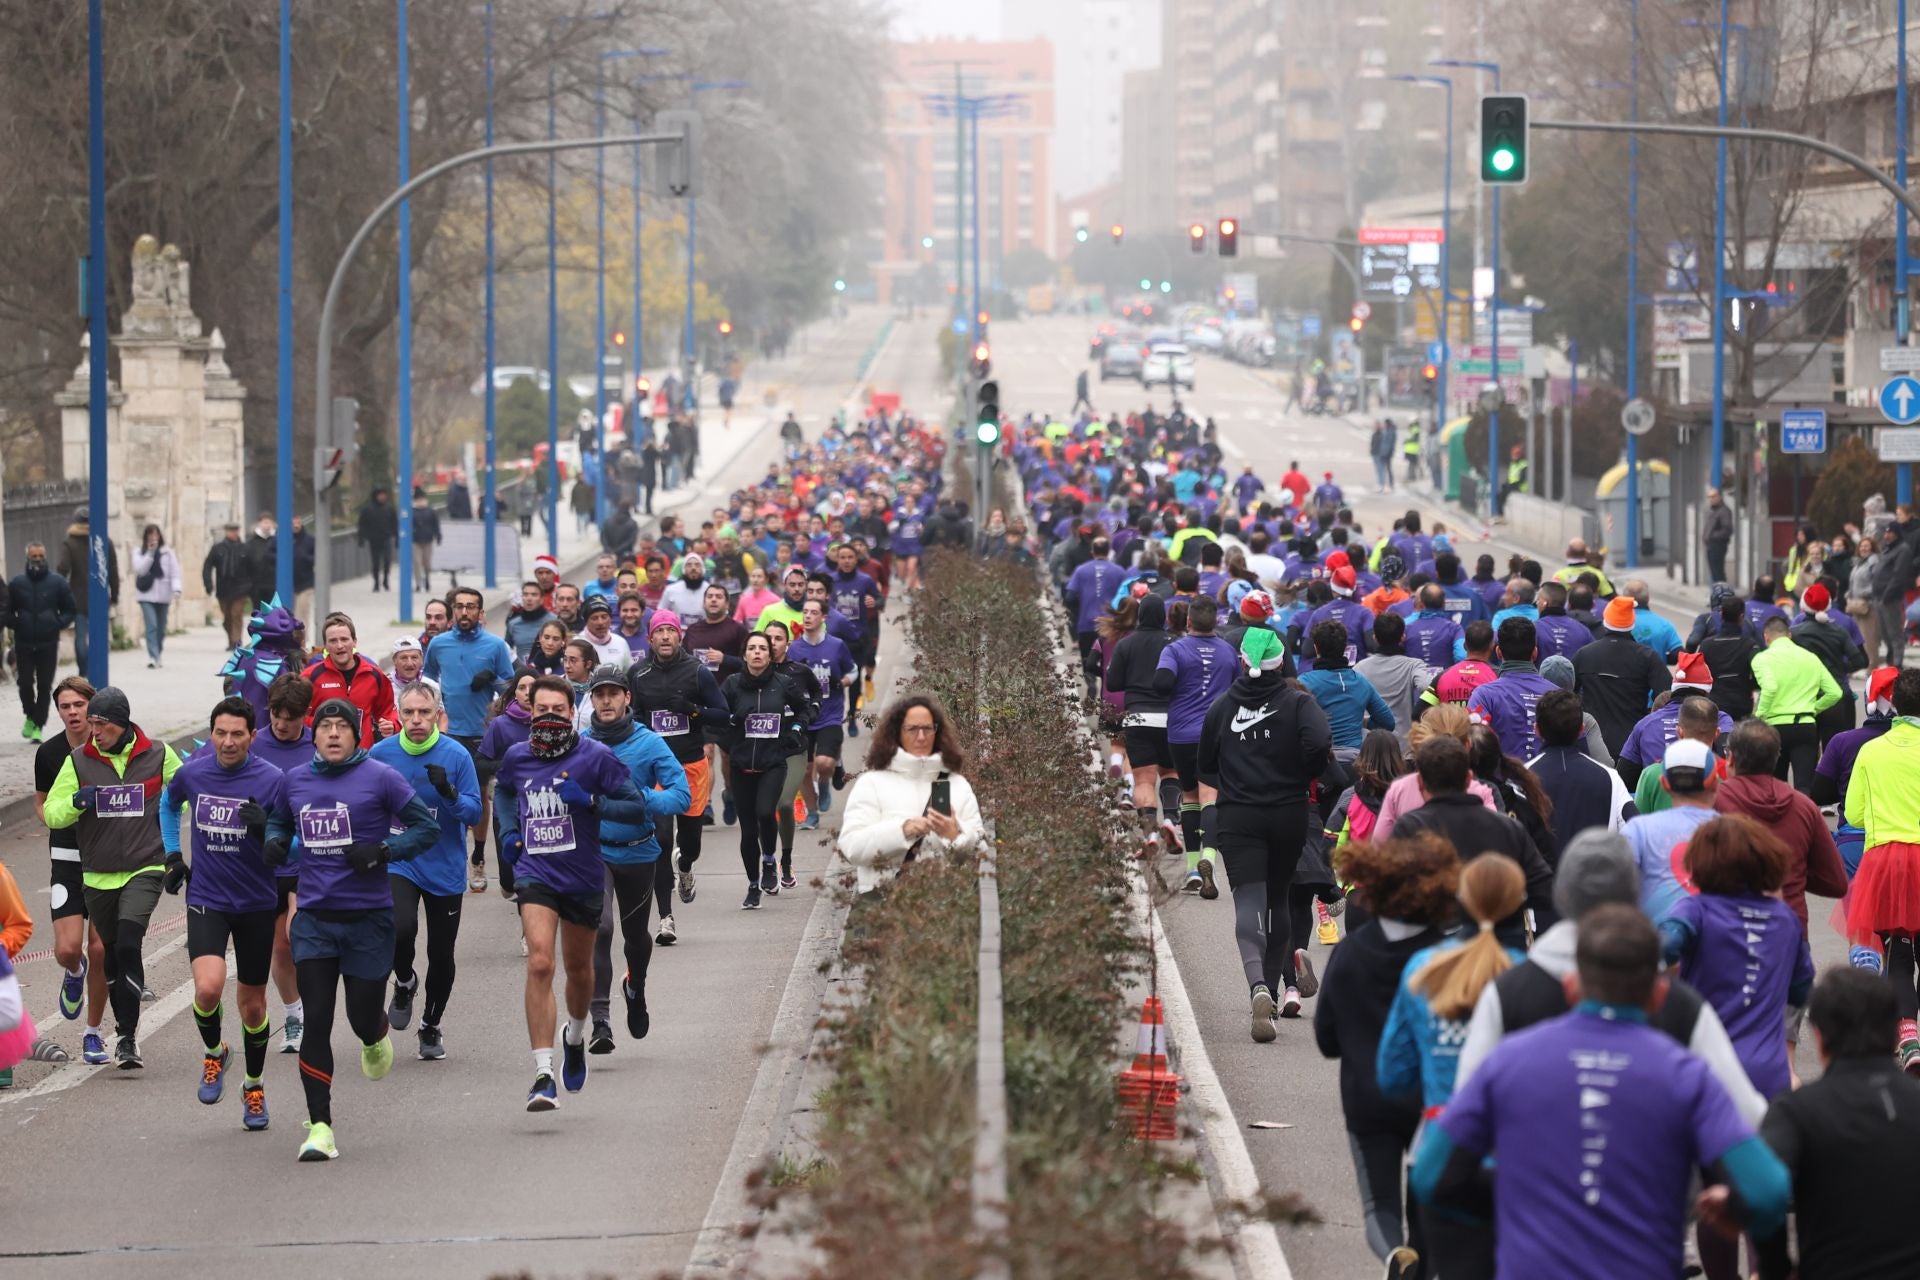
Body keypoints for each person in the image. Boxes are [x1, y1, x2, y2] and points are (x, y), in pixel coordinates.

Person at [1412, 904, 1790, 1280]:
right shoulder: (1688, 1077)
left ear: (1571, 987)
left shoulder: (1508, 1061)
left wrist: (1513, 1199)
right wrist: (1740, 1217)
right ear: (1659, 995)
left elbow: (1431, 1175)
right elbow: (1769, 1191)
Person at [1454, 830, 1767, 1127]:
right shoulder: (1678, 1004)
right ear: (1633, 894)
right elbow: (1746, 1113)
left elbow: (1465, 1112)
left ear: (1562, 895)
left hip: (1534, 1176)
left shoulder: (1507, 993)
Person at [265, 697, 437, 1159]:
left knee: (361, 1015)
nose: (334, 734)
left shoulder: (381, 777)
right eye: (326, 727)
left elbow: (426, 828)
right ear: (314, 735)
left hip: (368, 919)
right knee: (317, 1019)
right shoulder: (294, 780)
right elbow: (279, 822)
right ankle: (320, 1126)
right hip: (316, 920)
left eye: (343, 726)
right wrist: (275, 842)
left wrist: (384, 851)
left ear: (356, 735)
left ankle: (374, 1034)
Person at [493, 677, 648, 1110]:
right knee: (541, 961)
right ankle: (543, 1073)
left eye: (558, 711)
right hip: (535, 873)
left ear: (572, 711)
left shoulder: (596, 757)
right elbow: (504, 791)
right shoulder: (517, 756)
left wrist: (593, 803)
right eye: (541, 711)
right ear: (529, 712)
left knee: (579, 970)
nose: (549, 718)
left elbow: (637, 808)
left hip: (581, 877)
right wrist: (507, 832)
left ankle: (575, 1037)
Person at [1377, 855, 1527, 1278]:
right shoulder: (1531, 978)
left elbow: (1393, 1073)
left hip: (1437, 1148)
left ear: (1460, 902)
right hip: (1514, 1158)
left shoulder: (1425, 968)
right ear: (1519, 907)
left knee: (1427, 1260)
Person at [1313, 833, 1455, 1272]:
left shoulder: (1351, 952)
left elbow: (1326, 1039)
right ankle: (1420, 1263)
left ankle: (1396, 1255)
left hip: (1366, 1098)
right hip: (1432, 1102)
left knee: (1380, 1206)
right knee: (1426, 1206)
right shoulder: (1447, 958)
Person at [160, 696, 287, 1128]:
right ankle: (215, 1052)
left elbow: (288, 841)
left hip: (256, 903)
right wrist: (174, 856)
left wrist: (264, 828)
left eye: (237, 734)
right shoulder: (194, 772)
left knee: (252, 1007)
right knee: (208, 990)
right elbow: (167, 803)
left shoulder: (272, 780)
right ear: (211, 732)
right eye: (220, 733)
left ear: (253, 736)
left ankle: (253, 1085)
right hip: (208, 898)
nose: (228, 742)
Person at [42, 687, 184, 1070]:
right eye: (91, 725)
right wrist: (74, 803)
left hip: (145, 867)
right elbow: (51, 814)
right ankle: (123, 1030)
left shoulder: (157, 754)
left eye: (100, 725)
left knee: (127, 945)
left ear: (120, 725)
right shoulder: (78, 761)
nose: (94, 732)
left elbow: (189, 789)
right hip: (98, 877)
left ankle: (126, 1037)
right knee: (111, 958)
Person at [1198, 629, 1334, 1029]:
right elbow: (1321, 742)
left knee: (1249, 903)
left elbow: (1203, 765)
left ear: (1243, 661)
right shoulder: (1298, 703)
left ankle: (1257, 984)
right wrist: (1300, 771)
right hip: (1288, 814)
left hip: (1240, 816)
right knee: (1278, 900)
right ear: (1281, 663)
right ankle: (1272, 995)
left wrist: (1236, 777)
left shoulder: (1222, 708)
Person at [1747, 968, 1920, 1280]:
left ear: (1819, 1036)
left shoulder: (1796, 1111)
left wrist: (1775, 1267)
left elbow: (1762, 1188)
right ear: (1893, 1033)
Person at [1660, 815, 1814, 1105]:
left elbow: (1664, 946)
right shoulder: (1786, 919)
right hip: (1769, 1073)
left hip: (1708, 1069)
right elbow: (1801, 989)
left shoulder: (1696, 910)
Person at [368, 682, 482, 1061]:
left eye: (425, 713)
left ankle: (431, 1026)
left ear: (438, 714)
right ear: (399, 714)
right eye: (409, 713)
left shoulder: (456, 755)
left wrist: (449, 793)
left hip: (443, 864)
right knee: (399, 928)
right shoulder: (381, 754)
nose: (416, 720)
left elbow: (474, 814)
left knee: (441, 953)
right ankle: (404, 981)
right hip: (400, 859)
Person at [580, 665, 687, 1051]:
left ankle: (635, 986)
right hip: (595, 853)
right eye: (599, 694)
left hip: (640, 852)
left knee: (636, 940)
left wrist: (645, 799)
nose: (606, 700)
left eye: (613, 693)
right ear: (591, 699)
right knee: (601, 929)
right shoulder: (581, 744)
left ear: (627, 698)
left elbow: (681, 795)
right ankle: (601, 1022)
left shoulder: (650, 743)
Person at [837, 694, 985, 934]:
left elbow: (982, 851)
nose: (921, 736)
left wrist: (956, 836)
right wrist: (902, 831)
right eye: (912, 729)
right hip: (883, 905)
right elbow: (853, 847)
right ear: (897, 732)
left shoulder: (957, 784)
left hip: (944, 908)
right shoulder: (872, 783)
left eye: (928, 728)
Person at [627, 612, 728, 943]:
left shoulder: (697, 672)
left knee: (690, 843)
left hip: (691, 766)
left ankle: (686, 867)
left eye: (671, 630)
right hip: (656, 769)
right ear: (650, 638)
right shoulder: (638, 674)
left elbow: (723, 714)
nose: (666, 636)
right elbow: (633, 717)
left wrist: (691, 709)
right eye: (660, 631)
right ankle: (665, 918)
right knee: (661, 841)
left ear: (680, 636)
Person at [1841, 666, 1920, 1069]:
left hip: (1887, 860)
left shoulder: (1871, 751)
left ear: (1893, 705)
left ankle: (1908, 1039)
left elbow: (1852, 811)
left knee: (1899, 953)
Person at [1390, 735, 1555, 926]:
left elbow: (1392, 895)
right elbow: (1544, 890)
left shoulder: (1409, 828)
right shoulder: (1507, 827)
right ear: (1470, 778)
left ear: (1419, 783)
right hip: (1498, 943)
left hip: (1434, 946)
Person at [1712, 719, 1847, 936]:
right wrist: (1795, 873)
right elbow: (1836, 882)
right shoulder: (1804, 807)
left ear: (1731, 758)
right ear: (1776, 758)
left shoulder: (1715, 802)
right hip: (1790, 928)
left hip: (1732, 930)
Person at [35, 676, 107, 1062]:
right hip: (66, 859)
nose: (73, 712)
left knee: (100, 949)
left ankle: (93, 1033)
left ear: (91, 708)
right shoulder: (49, 753)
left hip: (105, 861)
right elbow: (42, 803)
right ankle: (73, 971)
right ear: (59, 711)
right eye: (65, 706)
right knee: (67, 950)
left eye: (79, 704)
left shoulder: (108, 747)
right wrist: (56, 817)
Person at [423, 586, 515, 888]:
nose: (465, 612)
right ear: (452, 612)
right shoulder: (438, 644)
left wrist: (494, 680)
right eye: (460, 606)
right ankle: (453, 857)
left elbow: (511, 691)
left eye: (471, 606)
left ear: (480, 612)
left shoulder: (495, 646)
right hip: (449, 733)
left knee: (475, 796)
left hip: (482, 735)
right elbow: (429, 679)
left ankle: (477, 856)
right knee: (447, 794)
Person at [718, 635, 816, 905]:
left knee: (765, 812)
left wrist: (796, 729)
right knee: (748, 830)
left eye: (763, 648)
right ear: (745, 655)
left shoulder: (783, 684)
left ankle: (770, 861)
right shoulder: (732, 685)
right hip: (741, 766)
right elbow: (715, 719)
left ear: (770, 656)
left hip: (772, 762)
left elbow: (805, 709)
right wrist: (733, 723)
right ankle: (752, 885)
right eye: (752, 648)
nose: (757, 653)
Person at [1151, 596, 1239, 894]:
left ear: (1188, 621)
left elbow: (1161, 683)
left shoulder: (1174, 650)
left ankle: (1192, 870)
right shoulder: (1228, 652)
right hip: (1217, 735)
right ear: (1216, 622)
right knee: (1210, 796)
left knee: (1188, 796)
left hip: (1181, 735)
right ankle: (1209, 858)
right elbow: (1240, 691)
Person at [253, 672, 316, 1051]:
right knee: (277, 947)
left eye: (290, 716)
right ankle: (294, 1013)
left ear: (304, 715)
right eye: (276, 713)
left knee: (294, 938)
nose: (281, 722)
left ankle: (309, 1009)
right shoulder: (253, 743)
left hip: (307, 858)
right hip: (262, 860)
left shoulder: (318, 744)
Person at [1623, 737, 1722, 920]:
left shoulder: (1637, 831)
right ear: (1714, 783)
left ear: (1664, 783)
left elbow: (1619, 892)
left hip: (1651, 942)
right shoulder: (1736, 833)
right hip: (1717, 941)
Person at [1528, 689, 1633, 851]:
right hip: (1598, 872)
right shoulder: (1610, 777)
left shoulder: (1522, 777)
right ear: (1581, 730)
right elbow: (1635, 830)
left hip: (1541, 875)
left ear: (1537, 730)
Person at [1572, 596, 1672, 757]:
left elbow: (1567, 694)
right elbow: (1667, 697)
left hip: (1591, 742)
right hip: (1634, 743)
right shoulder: (1647, 657)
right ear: (1631, 623)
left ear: (1606, 619)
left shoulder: (1584, 654)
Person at [1751, 614, 1841, 791]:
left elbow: (1769, 687)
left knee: (1776, 787)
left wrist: (1758, 717)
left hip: (1774, 727)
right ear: (1789, 635)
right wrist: (1813, 709)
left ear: (1766, 637)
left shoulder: (1761, 659)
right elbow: (1835, 692)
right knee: (1804, 787)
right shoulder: (1811, 658)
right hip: (1805, 725)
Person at [1615, 654, 1730, 789]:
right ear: (1706, 693)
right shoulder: (1720, 719)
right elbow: (1727, 763)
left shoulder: (1644, 724)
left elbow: (1623, 779)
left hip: (1656, 802)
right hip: (1708, 800)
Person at [1465, 617, 1559, 759]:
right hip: (1549, 779)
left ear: (1498, 652)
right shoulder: (1559, 696)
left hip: (1501, 779)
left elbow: (1474, 746)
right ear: (1534, 653)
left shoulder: (1484, 695)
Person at [10, 541, 76, 741]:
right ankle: (30, 715)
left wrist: (57, 623)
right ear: (27, 557)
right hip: (24, 641)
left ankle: (38, 725)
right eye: (34, 556)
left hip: (48, 642)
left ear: (45, 557)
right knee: (25, 683)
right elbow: (7, 609)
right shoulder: (17, 583)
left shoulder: (57, 583)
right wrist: (17, 623)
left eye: (41, 556)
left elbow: (70, 609)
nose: (37, 560)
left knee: (45, 686)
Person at [305, 613, 398, 748]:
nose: (340, 645)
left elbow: (388, 712)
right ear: (325, 645)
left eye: (344, 639)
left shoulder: (374, 675)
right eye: (333, 641)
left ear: (354, 641)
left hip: (363, 757)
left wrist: (392, 724)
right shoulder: (310, 676)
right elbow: (297, 717)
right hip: (323, 756)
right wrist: (322, 723)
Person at [1354, 613, 1434, 749]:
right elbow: (1426, 685)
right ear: (1403, 636)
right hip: (1402, 746)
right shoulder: (1413, 665)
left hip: (1370, 746)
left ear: (1375, 637)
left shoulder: (1359, 667)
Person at [57, 506, 117, 675]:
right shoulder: (105, 541)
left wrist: (57, 591)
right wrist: (115, 594)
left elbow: (63, 568)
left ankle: (84, 670)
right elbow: (112, 569)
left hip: (77, 597)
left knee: (80, 637)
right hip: (100, 597)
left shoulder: (69, 542)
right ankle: (96, 667)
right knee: (99, 636)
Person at [131, 523, 182, 669]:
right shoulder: (139, 552)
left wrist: (176, 589)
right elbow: (140, 570)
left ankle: (158, 653)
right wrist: (150, 554)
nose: (153, 537)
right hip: (146, 595)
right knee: (151, 625)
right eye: (150, 534)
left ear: (160, 536)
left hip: (164, 595)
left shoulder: (168, 553)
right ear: (146, 536)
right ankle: (153, 656)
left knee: (161, 628)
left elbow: (175, 573)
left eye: (156, 534)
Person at [356, 487, 399, 592]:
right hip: (374, 539)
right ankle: (376, 582)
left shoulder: (389, 509)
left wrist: (397, 538)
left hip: (387, 538)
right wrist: (361, 538)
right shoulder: (368, 509)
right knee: (375, 562)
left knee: (387, 561)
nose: (383, 497)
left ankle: (385, 580)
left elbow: (395, 524)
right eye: (381, 495)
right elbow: (362, 525)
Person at [503, 581, 553, 662]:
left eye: (534, 595)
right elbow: (505, 652)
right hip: (523, 673)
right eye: (525, 594)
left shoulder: (554, 621)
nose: (529, 598)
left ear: (542, 599)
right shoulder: (513, 624)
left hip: (549, 672)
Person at [1704, 486, 1733, 584]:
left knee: (1718, 572)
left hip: (1718, 545)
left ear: (1719, 497)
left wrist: (1712, 536)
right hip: (1711, 546)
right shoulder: (1713, 511)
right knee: (1714, 573)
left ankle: (1723, 594)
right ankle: (1719, 593)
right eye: (1710, 497)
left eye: (1713, 496)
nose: (1711, 499)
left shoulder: (1723, 511)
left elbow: (1727, 529)